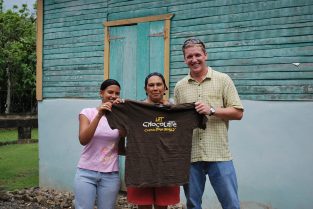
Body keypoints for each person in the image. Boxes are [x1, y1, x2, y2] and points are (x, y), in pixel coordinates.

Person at [174, 38, 244, 209]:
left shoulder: (223, 80)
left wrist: (211, 110)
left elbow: (238, 112)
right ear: (184, 59)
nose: (194, 59)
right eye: (189, 56)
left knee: (231, 204)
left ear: (205, 55)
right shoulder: (180, 87)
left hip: (219, 153)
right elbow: (178, 121)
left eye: (198, 55)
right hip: (190, 155)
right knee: (192, 204)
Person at [126, 72, 180, 209]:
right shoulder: (135, 110)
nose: (155, 88)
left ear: (165, 87)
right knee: (143, 206)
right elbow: (121, 130)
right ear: (145, 89)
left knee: (162, 206)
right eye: (151, 85)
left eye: (159, 84)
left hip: (166, 166)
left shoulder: (173, 109)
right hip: (141, 166)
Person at [74, 79, 125, 209]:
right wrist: (99, 115)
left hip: (110, 174)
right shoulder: (87, 112)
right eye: (110, 92)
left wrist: (121, 113)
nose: (113, 96)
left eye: (117, 93)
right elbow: (83, 139)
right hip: (86, 172)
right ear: (101, 93)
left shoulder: (118, 116)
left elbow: (123, 137)